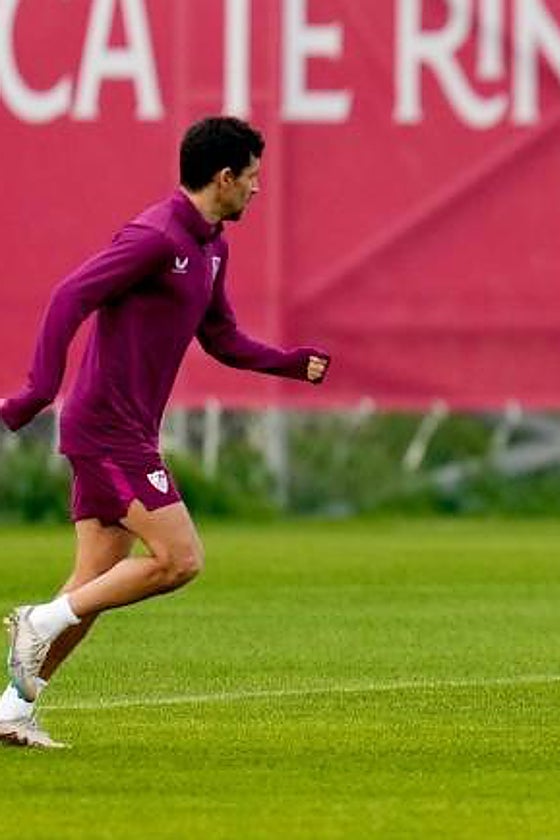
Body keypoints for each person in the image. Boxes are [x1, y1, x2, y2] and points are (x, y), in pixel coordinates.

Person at [1, 116, 331, 748]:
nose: (259, 191)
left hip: (131, 432)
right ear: (224, 176)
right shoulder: (156, 235)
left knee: (91, 586)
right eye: (254, 178)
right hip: (105, 430)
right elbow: (69, 295)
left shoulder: (212, 247)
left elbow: (222, 338)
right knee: (179, 560)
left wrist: (290, 363)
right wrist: (38, 390)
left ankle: (12, 707)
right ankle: (37, 620)